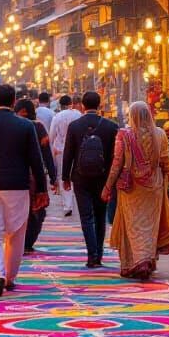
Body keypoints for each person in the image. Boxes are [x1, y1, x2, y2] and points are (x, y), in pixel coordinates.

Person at [0, 84, 48, 296]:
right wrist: (41, 188)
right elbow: (36, 160)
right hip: (18, 185)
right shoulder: (25, 126)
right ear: (14, 101)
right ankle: (10, 277)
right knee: (16, 233)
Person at [101, 101, 169, 280]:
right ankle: (148, 259)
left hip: (132, 188)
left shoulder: (124, 135)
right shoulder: (159, 134)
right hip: (155, 186)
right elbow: (165, 163)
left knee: (133, 225)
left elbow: (117, 163)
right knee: (150, 225)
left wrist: (108, 186)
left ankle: (139, 261)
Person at [62, 91, 119, 269]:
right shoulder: (111, 126)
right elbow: (114, 156)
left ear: (82, 106)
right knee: (100, 216)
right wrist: (112, 181)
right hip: (103, 177)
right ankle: (99, 254)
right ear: (99, 105)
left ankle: (91, 255)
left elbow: (68, 152)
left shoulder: (75, 126)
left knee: (86, 216)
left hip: (80, 177)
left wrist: (65, 176)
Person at [16, 98, 58, 253]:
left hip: (17, 176)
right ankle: (28, 242)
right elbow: (47, 155)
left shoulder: (15, 127)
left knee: (21, 210)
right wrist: (53, 177)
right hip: (35, 176)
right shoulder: (38, 127)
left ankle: (20, 241)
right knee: (37, 210)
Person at [48, 94, 80, 217]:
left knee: (63, 176)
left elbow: (51, 136)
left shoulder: (58, 117)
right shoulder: (78, 114)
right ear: (71, 103)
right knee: (76, 174)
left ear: (60, 105)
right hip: (77, 150)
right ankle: (76, 199)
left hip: (61, 150)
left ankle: (68, 205)